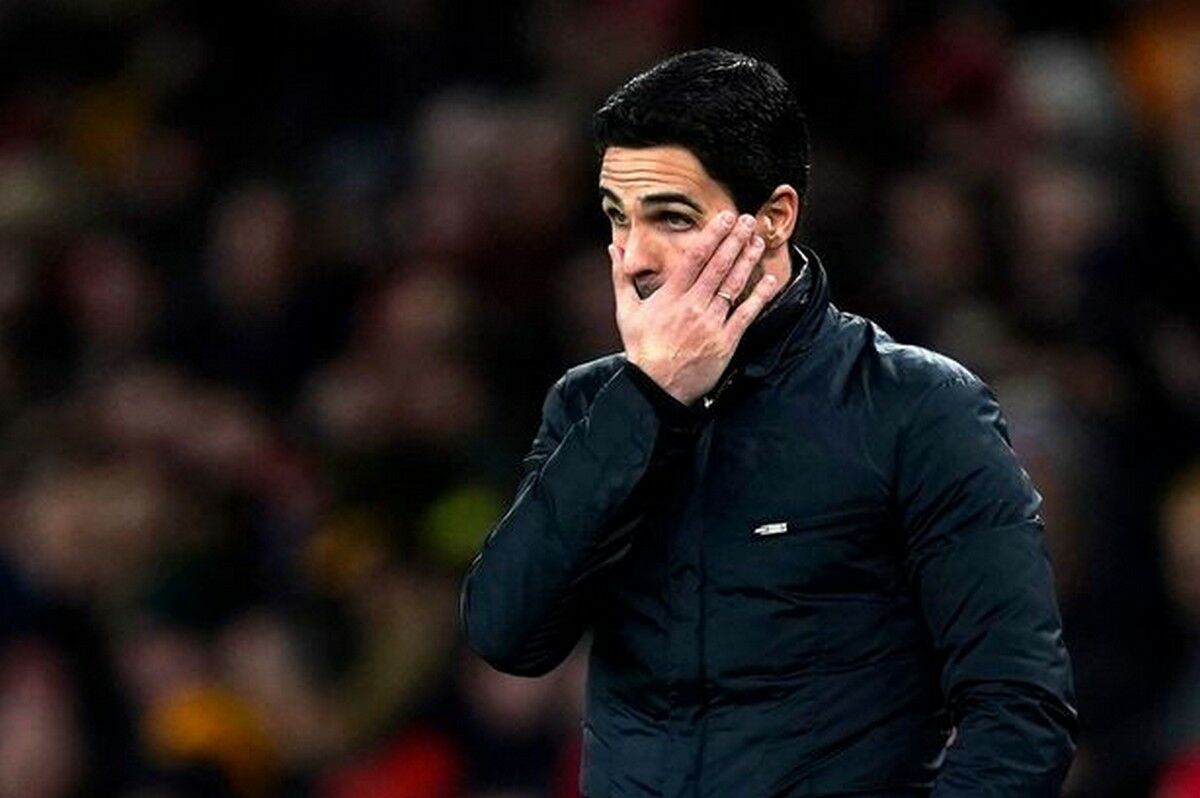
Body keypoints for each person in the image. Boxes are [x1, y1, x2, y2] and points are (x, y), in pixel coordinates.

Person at [460, 48, 1077, 796]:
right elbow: (507, 634)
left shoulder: (919, 408)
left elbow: (1020, 713)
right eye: (618, 217)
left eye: (671, 217)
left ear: (775, 219)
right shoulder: (591, 408)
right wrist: (648, 401)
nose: (633, 258)